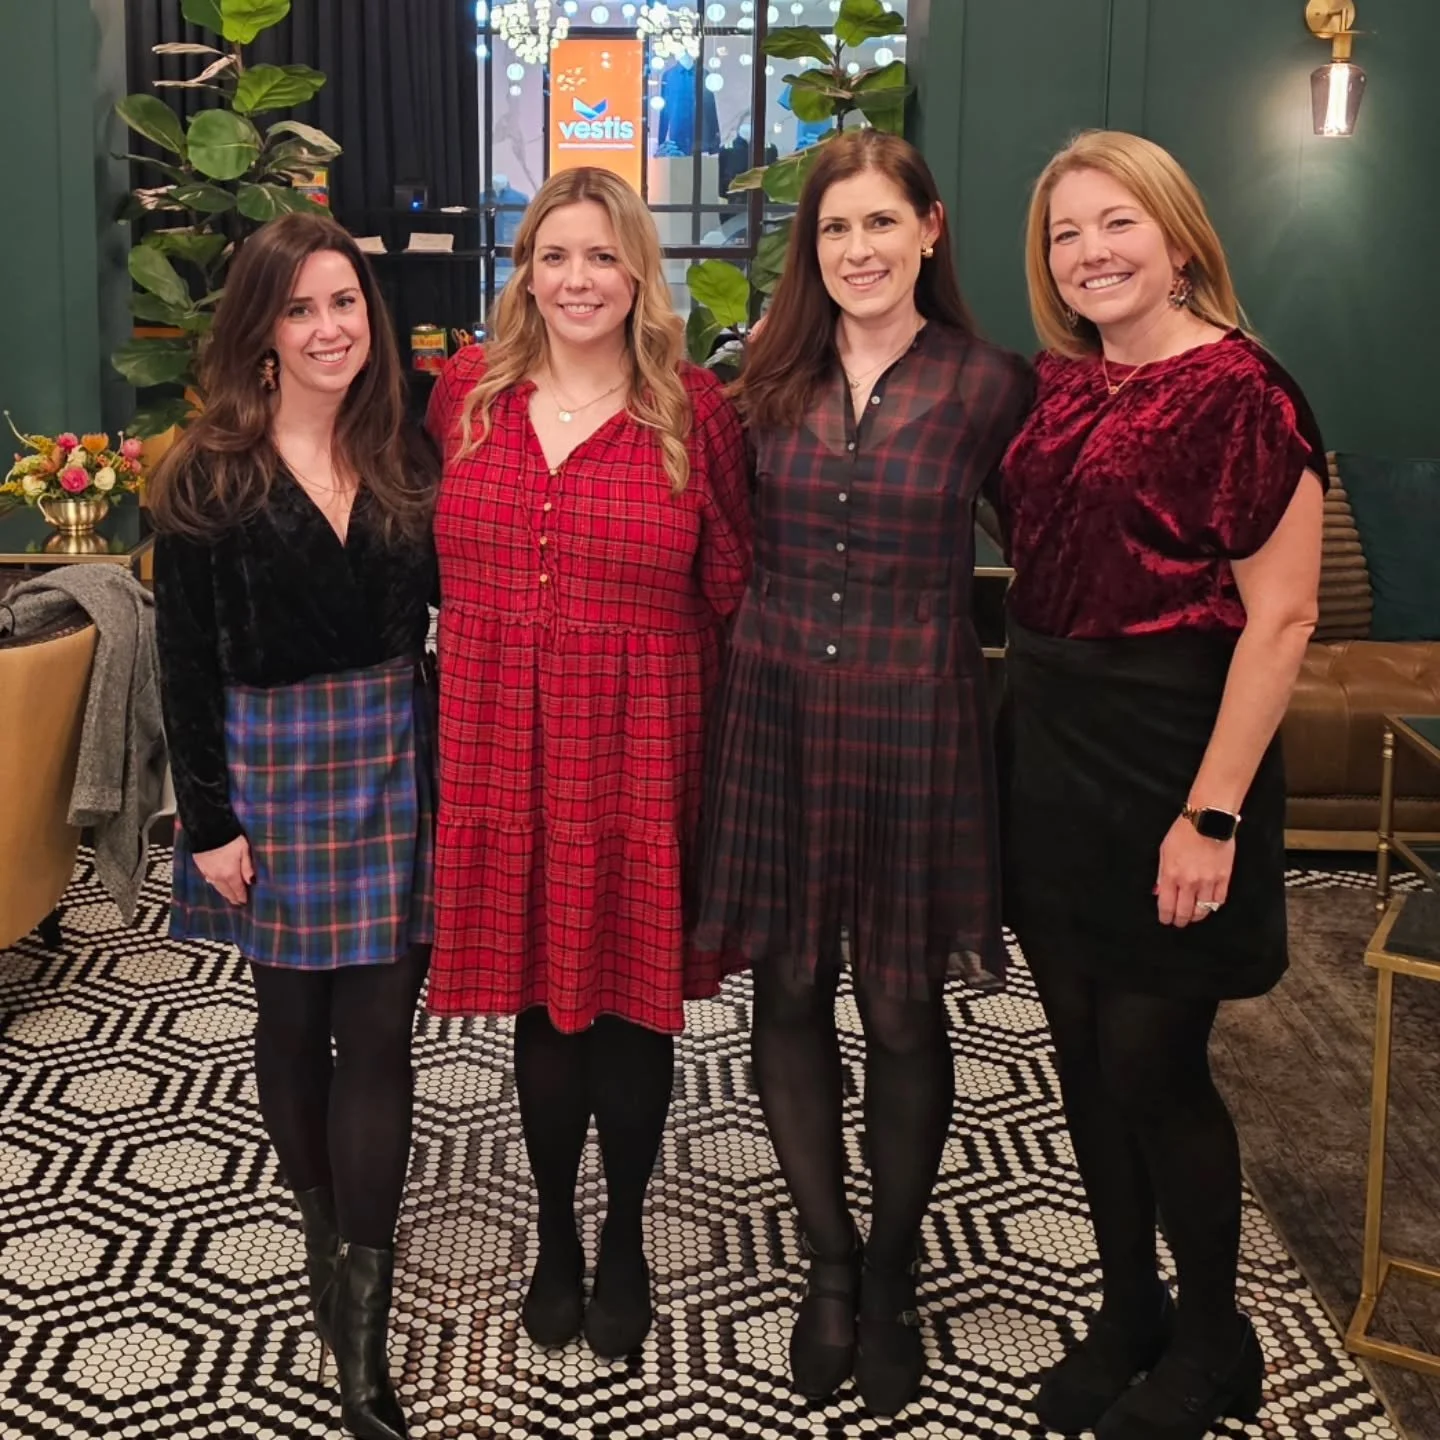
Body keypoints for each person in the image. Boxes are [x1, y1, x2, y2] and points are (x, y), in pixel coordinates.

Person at [692, 129, 1033, 1416]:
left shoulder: (991, 386)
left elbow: (1060, 545)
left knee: (899, 1005)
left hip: (917, 721)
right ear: (812, 248)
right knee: (788, 988)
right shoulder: (759, 382)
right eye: (836, 228)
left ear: (930, 231)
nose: (859, 248)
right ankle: (828, 1267)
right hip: (776, 712)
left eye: (883, 221)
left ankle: (890, 1275)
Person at [998, 130, 1325, 1440]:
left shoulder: (1246, 393)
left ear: (1180, 238)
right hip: (1049, 749)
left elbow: (1284, 619)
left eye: (1117, 221)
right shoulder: (1055, 387)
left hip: (1175, 751)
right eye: (1066, 233)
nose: (1091, 252)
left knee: (1154, 1061)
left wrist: (1212, 813)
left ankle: (1215, 1339)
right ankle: (1128, 1310)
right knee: (1081, 1054)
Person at [424, 166, 751, 1358]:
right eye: (554, 255)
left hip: (643, 747)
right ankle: (556, 1232)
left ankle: (623, 1240)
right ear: (524, 272)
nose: (577, 279)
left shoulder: (692, 409)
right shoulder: (466, 394)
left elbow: (735, 587)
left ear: (638, 274)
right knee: (543, 1007)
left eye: (603, 256)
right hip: (499, 743)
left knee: (631, 1010)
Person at [151, 211, 438, 1440]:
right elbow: (181, 666)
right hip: (269, 770)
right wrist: (210, 821)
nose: (330, 329)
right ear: (261, 329)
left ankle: (359, 1335)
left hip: (394, 758)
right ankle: (326, 1235)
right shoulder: (205, 473)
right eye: (301, 308)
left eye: (346, 303)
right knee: (292, 1023)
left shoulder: (406, 450)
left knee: (377, 1035)